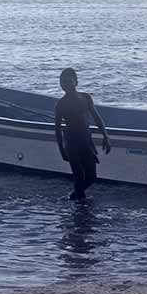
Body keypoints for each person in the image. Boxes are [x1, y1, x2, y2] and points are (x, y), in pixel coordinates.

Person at [54, 68, 111, 200]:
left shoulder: (85, 98)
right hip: (71, 143)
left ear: (76, 82)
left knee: (91, 177)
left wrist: (105, 136)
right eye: (63, 82)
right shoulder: (61, 104)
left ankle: (74, 197)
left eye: (69, 81)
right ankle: (80, 207)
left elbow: (97, 118)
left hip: (86, 141)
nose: (66, 84)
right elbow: (57, 129)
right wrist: (62, 150)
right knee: (78, 175)